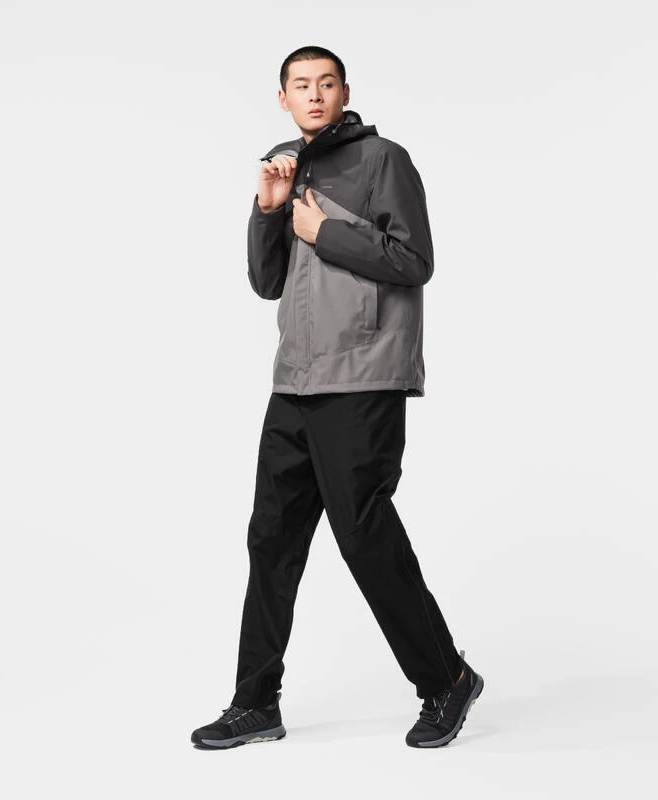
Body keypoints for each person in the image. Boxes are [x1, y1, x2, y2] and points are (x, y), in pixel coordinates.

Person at [190, 45, 484, 750]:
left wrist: (327, 230)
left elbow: (415, 260)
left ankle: (447, 679)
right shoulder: (283, 163)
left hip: (364, 373)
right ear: (283, 97)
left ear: (345, 92)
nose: (315, 94)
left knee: (362, 533)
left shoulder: (383, 160)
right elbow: (268, 282)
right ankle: (255, 703)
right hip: (295, 379)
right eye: (302, 85)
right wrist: (268, 211)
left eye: (326, 83)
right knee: (271, 539)